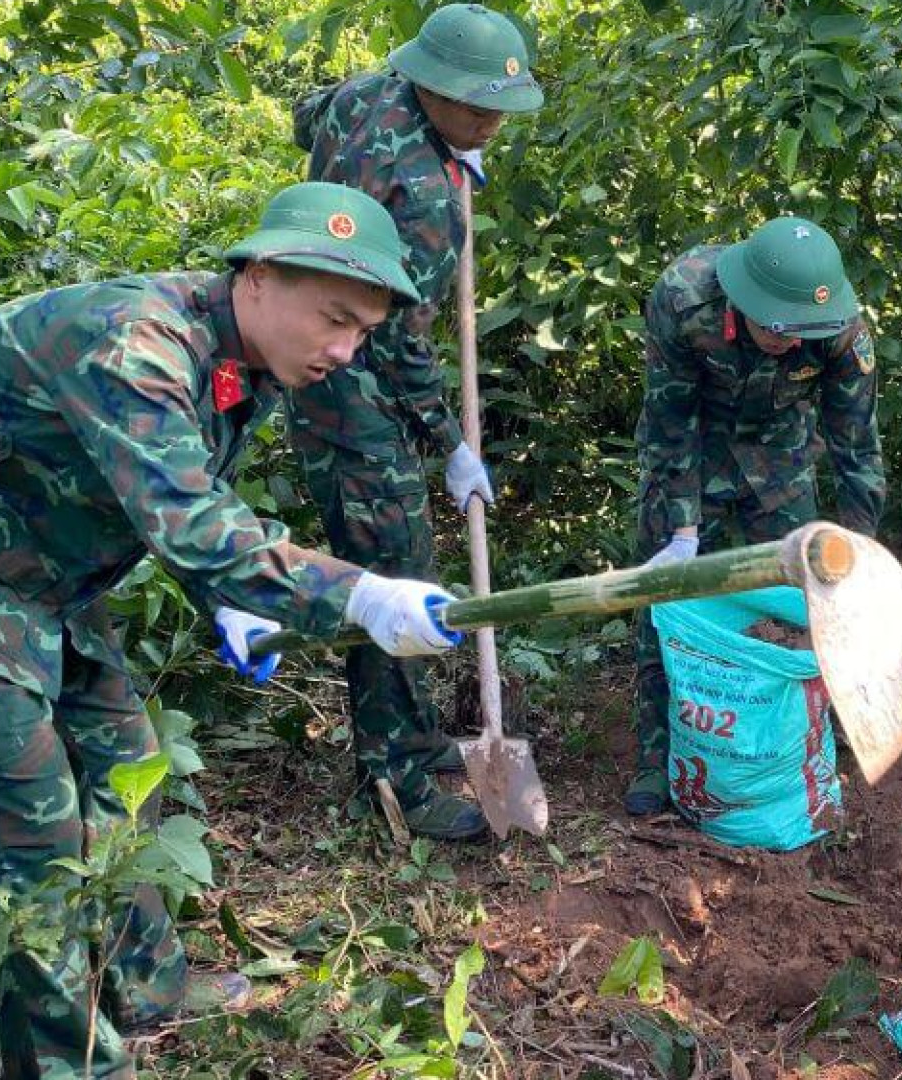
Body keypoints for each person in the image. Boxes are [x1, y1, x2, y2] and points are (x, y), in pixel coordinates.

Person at [0, 183, 466, 1079]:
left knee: (130, 772)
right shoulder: (137, 341)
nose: (345, 350)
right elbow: (193, 521)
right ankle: (69, 1064)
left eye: (364, 331)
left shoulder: (248, 361)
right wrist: (359, 596)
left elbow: (183, 494)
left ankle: (148, 987)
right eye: (336, 319)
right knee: (39, 838)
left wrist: (230, 598)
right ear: (261, 274)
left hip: (46, 566)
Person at [289, 3, 543, 841]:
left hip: (319, 346)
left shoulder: (362, 93)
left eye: (500, 107)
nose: (492, 124)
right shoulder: (430, 205)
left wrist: (444, 145)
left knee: (397, 556)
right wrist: (452, 445)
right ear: (429, 85)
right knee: (392, 567)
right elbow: (398, 346)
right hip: (347, 379)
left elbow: (306, 115)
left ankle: (417, 735)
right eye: (473, 109)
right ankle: (393, 778)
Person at [626, 216, 886, 815]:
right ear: (743, 301)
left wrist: (859, 553)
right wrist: (682, 525)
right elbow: (670, 421)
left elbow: (856, 445)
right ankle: (658, 756)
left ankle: (808, 738)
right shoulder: (684, 296)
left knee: (810, 604)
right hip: (692, 454)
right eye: (776, 328)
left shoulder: (838, 330)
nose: (790, 342)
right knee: (665, 605)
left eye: (802, 333)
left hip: (780, 460)